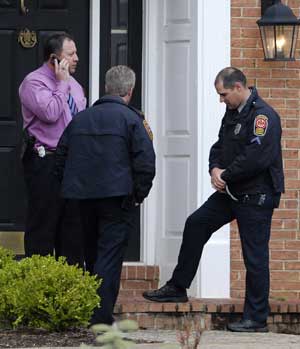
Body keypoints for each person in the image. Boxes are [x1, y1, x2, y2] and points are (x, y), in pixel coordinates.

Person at [143, 67, 284, 333]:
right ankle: (177, 287)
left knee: (254, 256)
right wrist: (214, 169)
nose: (221, 100)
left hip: (255, 195)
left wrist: (226, 175)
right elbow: (218, 147)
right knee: (196, 223)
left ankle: (256, 318)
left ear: (239, 88)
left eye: (223, 94)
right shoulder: (233, 113)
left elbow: (257, 157)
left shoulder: (263, 117)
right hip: (231, 191)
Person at [55, 65, 156, 325]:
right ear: (130, 91)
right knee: (109, 257)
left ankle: (91, 308)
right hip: (117, 199)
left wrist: (69, 189)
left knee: (91, 254)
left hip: (82, 199)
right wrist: (138, 195)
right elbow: (145, 163)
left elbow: (60, 159)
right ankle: (99, 317)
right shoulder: (133, 120)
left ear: (107, 88)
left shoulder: (81, 119)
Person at [19, 33, 86, 264]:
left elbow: (79, 120)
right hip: (45, 160)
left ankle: (70, 288)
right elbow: (50, 112)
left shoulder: (75, 86)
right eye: (70, 54)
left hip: (73, 162)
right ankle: (40, 289)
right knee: (43, 227)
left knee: (72, 229)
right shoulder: (33, 83)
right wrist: (61, 84)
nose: (77, 58)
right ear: (54, 60)